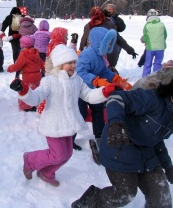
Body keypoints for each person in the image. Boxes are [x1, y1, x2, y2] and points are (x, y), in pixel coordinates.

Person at [10, 44, 114, 187]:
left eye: (74, 62)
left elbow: (89, 95)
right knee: (57, 154)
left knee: (67, 154)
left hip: (69, 124)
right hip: (54, 124)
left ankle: (46, 172)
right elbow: (36, 97)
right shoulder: (50, 81)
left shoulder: (77, 80)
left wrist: (104, 92)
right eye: (69, 63)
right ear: (59, 64)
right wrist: (24, 91)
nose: (73, 66)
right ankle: (30, 160)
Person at [71, 78, 173, 208]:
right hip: (119, 146)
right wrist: (115, 122)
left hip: (147, 155)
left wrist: (168, 166)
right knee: (125, 194)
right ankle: (88, 202)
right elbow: (117, 98)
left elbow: (157, 139)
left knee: (162, 201)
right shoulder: (153, 99)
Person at [76, 26, 132, 165]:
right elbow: (80, 72)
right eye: (105, 42)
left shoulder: (101, 56)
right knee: (80, 114)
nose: (108, 45)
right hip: (82, 91)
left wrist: (115, 78)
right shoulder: (86, 54)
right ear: (97, 42)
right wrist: (95, 79)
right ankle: (70, 137)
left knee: (98, 111)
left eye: (109, 43)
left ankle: (99, 135)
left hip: (95, 92)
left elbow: (104, 71)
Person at [79, 6, 138, 74]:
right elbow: (119, 39)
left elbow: (83, 41)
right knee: (109, 74)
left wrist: (81, 53)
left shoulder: (89, 25)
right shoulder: (109, 23)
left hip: (97, 55)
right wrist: (130, 50)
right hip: (110, 55)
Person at [7, 36, 45, 112]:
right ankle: (36, 104)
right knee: (36, 91)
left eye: (21, 43)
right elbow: (41, 63)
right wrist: (45, 70)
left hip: (28, 78)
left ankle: (26, 106)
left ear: (23, 45)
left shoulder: (24, 54)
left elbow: (18, 65)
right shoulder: (36, 53)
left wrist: (10, 68)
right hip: (37, 77)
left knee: (27, 91)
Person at [141, 8, 167, 77]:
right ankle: (156, 78)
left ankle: (145, 77)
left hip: (150, 48)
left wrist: (143, 40)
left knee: (147, 64)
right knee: (158, 63)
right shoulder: (162, 24)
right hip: (161, 47)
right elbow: (165, 35)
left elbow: (145, 37)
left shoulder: (147, 25)